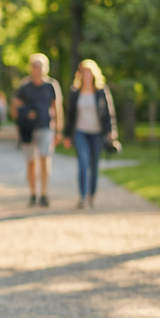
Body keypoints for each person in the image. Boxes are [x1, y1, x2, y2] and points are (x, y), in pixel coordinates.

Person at [62, 59, 120, 209]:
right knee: (83, 162)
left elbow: (108, 113)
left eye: (88, 72)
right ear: (80, 75)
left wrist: (111, 131)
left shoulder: (101, 91)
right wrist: (67, 135)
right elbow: (70, 115)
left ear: (94, 74)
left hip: (97, 134)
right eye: (83, 72)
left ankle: (91, 195)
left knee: (94, 165)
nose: (86, 75)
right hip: (80, 132)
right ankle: (82, 196)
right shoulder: (75, 92)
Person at [12, 54, 62, 208]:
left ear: (44, 68)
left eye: (39, 66)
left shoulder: (51, 85)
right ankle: (33, 193)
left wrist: (59, 129)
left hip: (46, 127)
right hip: (28, 129)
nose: (36, 69)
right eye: (34, 66)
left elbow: (57, 108)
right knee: (31, 163)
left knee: (44, 160)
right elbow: (14, 108)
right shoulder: (24, 86)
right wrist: (25, 113)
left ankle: (44, 194)